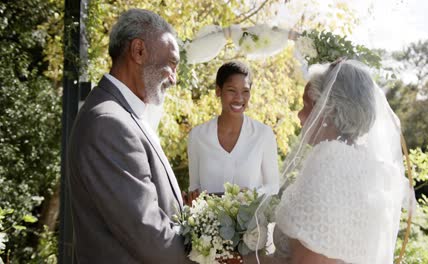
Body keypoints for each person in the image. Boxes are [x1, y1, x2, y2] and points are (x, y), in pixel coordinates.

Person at [247, 59, 414, 264]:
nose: (299, 115)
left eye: (307, 106)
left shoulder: (327, 164)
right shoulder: (370, 168)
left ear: (330, 111)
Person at [67, 9, 192, 263]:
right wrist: (212, 254)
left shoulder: (126, 114)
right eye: (172, 64)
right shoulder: (110, 124)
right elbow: (150, 238)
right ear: (138, 51)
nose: (174, 79)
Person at [187, 61, 280, 202]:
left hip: (250, 223)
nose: (239, 98)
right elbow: (194, 187)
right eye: (231, 90)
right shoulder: (197, 136)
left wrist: (250, 195)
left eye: (245, 91)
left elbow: (273, 186)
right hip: (210, 222)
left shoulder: (263, 134)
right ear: (218, 91)